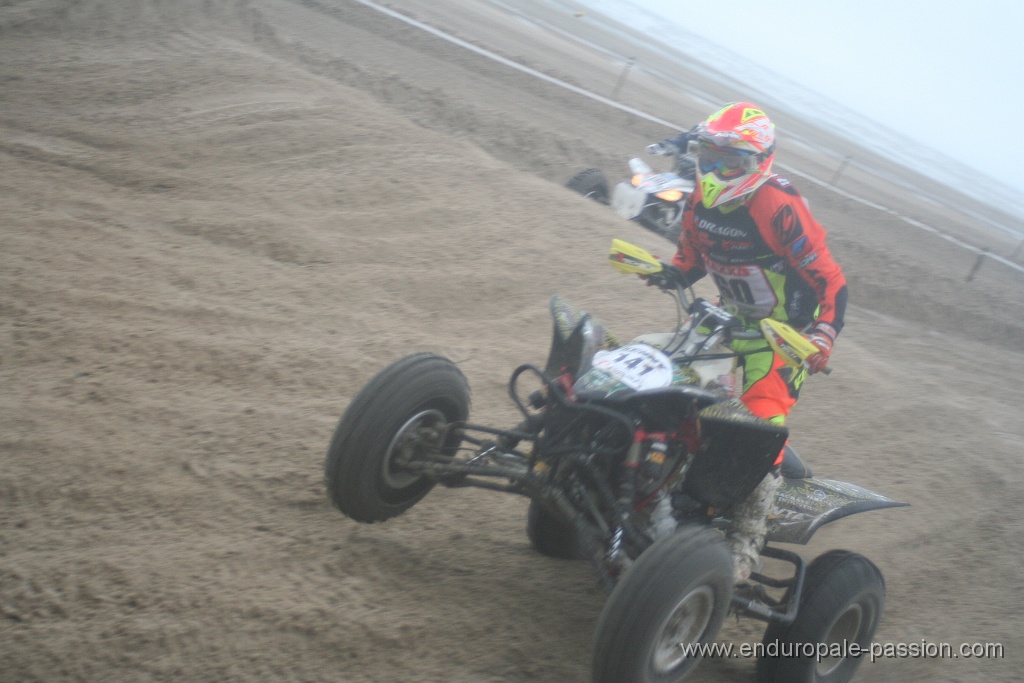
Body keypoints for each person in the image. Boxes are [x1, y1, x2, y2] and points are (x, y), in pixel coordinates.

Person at [645, 102, 848, 582]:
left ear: (759, 161)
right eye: (710, 156)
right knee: (652, 369)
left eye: (731, 161)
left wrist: (821, 335)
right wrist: (673, 271)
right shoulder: (700, 200)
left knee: (761, 425)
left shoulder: (778, 206)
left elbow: (832, 282)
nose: (717, 169)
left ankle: (746, 538)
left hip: (782, 335)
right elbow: (693, 256)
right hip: (724, 320)